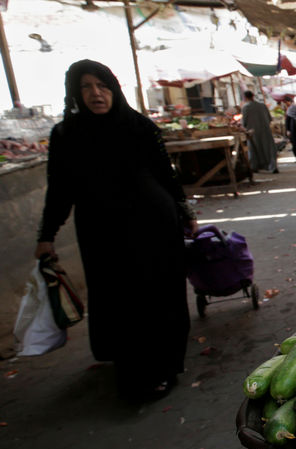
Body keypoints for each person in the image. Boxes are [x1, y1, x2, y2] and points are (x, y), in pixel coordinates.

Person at [34, 59, 196, 400]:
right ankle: (131, 368)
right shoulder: (66, 136)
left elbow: (167, 176)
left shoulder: (139, 127)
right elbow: (59, 189)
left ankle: (164, 368)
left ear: (114, 89)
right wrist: (46, 236)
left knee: (157, 296)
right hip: (102, 234)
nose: (96, 93)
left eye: (103, 86)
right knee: (118, 300)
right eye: (87, 87)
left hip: (153, 228)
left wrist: (185, 213)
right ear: (75, 93)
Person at [242, 90, 278, 173]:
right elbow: (269, 119)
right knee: (269, 149)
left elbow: (244, 122)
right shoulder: (262, 105)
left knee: (254, 150)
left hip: (253, 132)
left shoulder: (246, 107)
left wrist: (245, 127)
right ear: (253, 96)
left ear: (245, 97)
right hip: (266, 130)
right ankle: (273, 167)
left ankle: (255, 167)